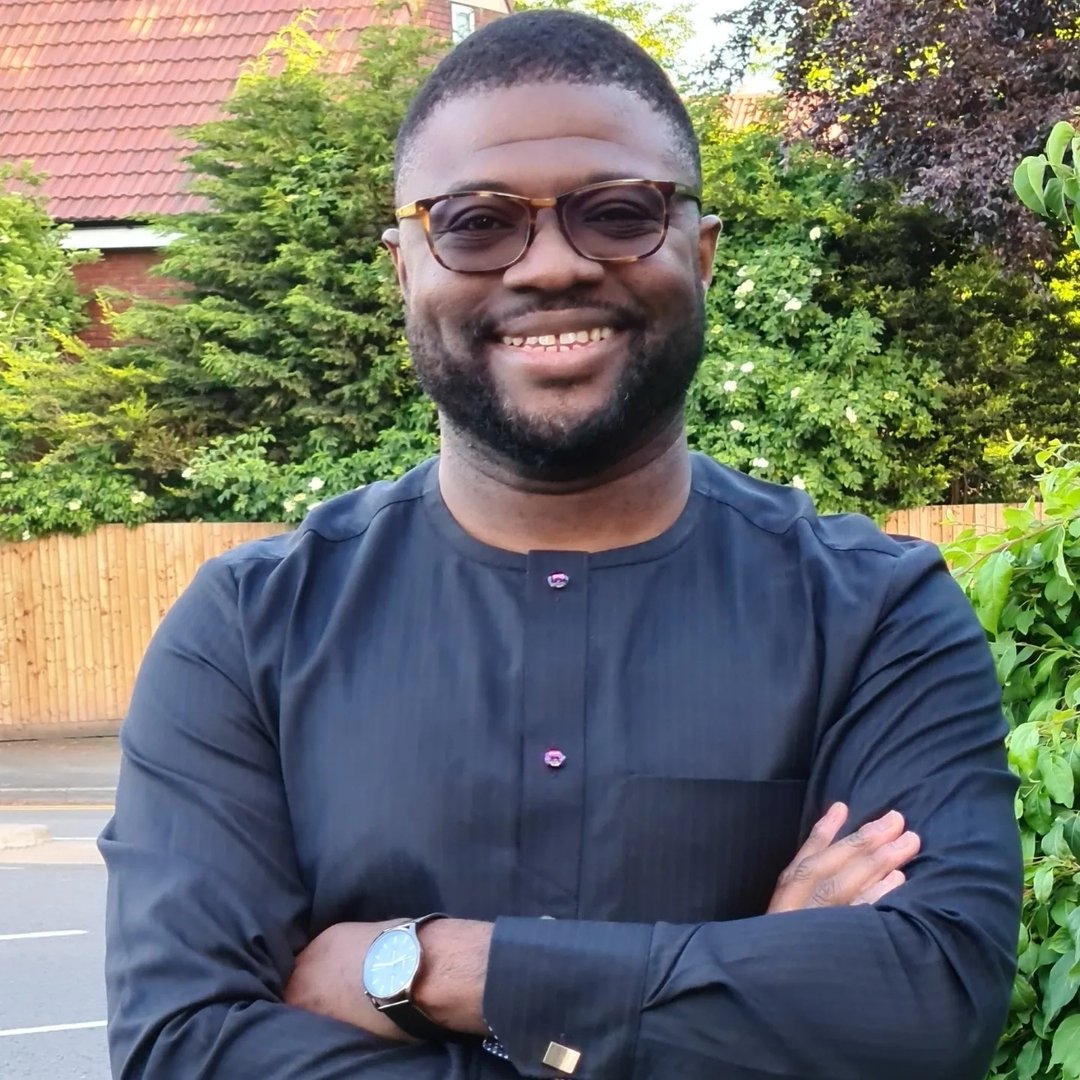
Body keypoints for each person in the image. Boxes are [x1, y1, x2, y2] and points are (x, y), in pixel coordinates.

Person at [100, 10, 1022, 1079]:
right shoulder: (251, 631)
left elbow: (924, 1009)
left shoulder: (875, 615)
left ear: (704, 253)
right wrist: (751, 980)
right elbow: (184, 1050)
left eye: (618, 213)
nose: (548, 268)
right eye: (478, 224)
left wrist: (438, 968)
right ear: (403, 270)